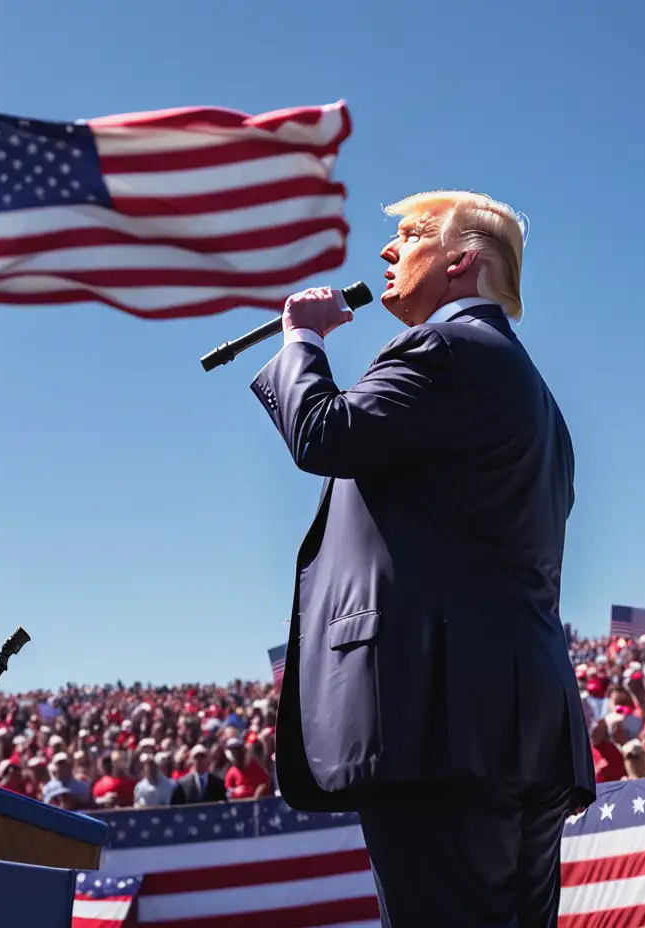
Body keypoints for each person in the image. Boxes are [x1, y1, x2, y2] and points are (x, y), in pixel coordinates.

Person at [249, 189, 594, 927]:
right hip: (525, 723)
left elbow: (324, 432)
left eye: (410, 235)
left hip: (441, 723)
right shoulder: (540, 400)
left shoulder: (446, 348)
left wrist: (301, 341)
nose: (387, 252)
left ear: (463, 260)